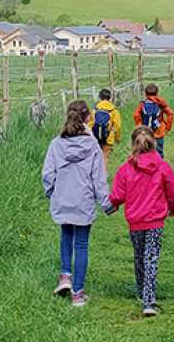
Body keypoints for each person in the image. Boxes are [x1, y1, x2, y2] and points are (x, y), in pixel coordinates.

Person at [42, 100, 115, 307]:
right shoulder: (92, 145)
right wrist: (106, 203)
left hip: (63, 197)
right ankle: (78, 294)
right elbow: (98, 178)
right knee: (81, 244)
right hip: (83, 200)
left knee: (66, 235)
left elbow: (48, 174)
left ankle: (65, 276)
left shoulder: (56, 143)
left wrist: (53, 193)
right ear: (88, 118)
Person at [110, 126, 174, 317]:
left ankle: (142, 291)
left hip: (135, 221)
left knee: (139, 255)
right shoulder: (163, 167)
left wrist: (112, 204)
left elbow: (117, 194)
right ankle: (149, 300)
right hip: (155, 221)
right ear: (154, 143)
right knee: (151, 258)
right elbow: (173, 192)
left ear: (133, 144)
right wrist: (173, 208)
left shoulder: (125, 169)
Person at [133, 83, 174, 158]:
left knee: (145, 153)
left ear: (145, 94)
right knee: (159, 153)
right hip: (159, 132)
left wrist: (140, 126)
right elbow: (170, 113)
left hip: (145, 133)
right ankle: (159, 168)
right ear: (157, 93)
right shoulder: (161, 103)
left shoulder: (142, 105)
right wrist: (167, 127)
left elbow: (136, 115)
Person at [88, 88, 122, 167]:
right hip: (108, 137)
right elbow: (118, 126)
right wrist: (117, 138)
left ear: (100, 97)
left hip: (95, 137)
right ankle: (103, 176)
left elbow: (89, 124)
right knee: (105, 157)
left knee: (94, 157)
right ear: (110, 98)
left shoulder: (95, 110)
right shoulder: (114, 111)